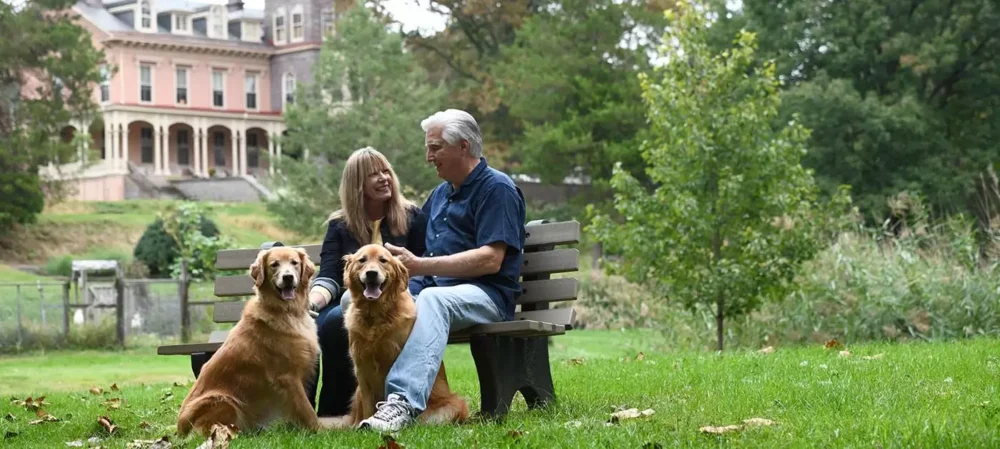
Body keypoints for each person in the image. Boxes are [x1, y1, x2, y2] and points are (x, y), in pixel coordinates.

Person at [358, 109, 527, 431]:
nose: (428, 157)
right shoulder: (440, 195)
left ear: (463, 146)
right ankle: (357, 402)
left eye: (435, 148)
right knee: (355, 303)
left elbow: (491, 259)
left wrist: (421, 265)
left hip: (486, 295)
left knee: (433, 299)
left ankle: (401, 404)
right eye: (428, 148)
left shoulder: (497, 189)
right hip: (432, 289)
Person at [304, 147, 428, 417]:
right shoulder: (339, 224)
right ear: (356, 184)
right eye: (374, 174)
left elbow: (421, 268)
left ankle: (353, 411)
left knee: (339, 317)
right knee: (322, 321)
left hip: (400, 301)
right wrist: (312, 302)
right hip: (350, 300)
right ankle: (314, 411)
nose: (384, 178)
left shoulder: (412, 217)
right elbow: (328, 274)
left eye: (386, 171)